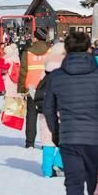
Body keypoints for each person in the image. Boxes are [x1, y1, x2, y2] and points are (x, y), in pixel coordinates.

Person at [43, 32, 98, 195]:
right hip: (97, 138)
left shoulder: (57, 76)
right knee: (96, 180)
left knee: (74, 181)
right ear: (88, 49)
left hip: (69, 136)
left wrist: (56, 132)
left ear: (67, 50)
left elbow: (48, 108)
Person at [34, 44, 65, 178]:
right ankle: (58, 161)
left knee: (47, 140)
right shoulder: (66, 68)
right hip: (62, 110)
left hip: (45, 110)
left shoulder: (45, 68)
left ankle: (47, 170)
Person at [17, 27, 51, 148]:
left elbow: (23, 72)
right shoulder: (50, 52)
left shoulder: (27, 52)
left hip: (31, 87)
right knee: (47, 117)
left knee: (31, 115)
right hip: (47, 88)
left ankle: (29, 142)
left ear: (36, 37)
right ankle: (47, 143)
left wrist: (21, 89)